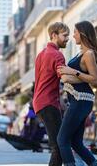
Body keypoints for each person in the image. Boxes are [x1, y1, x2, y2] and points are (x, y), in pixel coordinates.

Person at [57, 21, 97, 166]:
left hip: (81, 100)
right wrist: (71, 77)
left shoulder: (88, 54)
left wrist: (72, 72)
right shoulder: (80, 53)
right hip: (78, 101)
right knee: (75, 142)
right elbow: (79, 78)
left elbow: (95, 80)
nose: (72, 36)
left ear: (82, 33)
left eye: (75, 32)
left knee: (62, 139)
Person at [32, 22, 70, 166]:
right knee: (59, 147)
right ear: (54, 35)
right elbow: (65, 78)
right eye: (64, 35)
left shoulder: (41, 54)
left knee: (59, 144)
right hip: (48, 103)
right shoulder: (57, 55)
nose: (67, 39)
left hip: (39, 102)